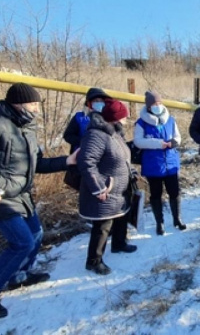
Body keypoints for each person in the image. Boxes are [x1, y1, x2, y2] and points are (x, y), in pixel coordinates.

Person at [0, 83, 77, 318]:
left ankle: (20, 275)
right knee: (22, 243)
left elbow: (37, 165)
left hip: (21, 195)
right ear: (17, 103)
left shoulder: (27, 129)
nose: (37, 110)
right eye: (33, 104)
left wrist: (67, 161)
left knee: (36, 235)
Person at [78, 99, 138, 275]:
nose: (126, 119)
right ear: (116, 118)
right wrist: (98, 187)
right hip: (105, 189)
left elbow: (124, 157)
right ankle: (94, 261)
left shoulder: (115, 133)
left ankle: (119, 244)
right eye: (124, 116)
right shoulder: (96, 135)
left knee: (121, 216)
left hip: (120, 188)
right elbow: (86, 162)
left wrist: (131, 171)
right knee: (103, 225)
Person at [134, 91, 185, 235]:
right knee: (156, 194)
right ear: (149, 106)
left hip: (170, 162)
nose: (158, 106)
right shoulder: (141, 123)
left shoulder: (170, 120)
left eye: (159, 103)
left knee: (174, 192)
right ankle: (159, 222)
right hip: (153, 164)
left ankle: (177, 219)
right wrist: (157, 143)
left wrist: (173, 142)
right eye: (154, 104)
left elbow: (178, 137)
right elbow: (138, 141)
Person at [63, 87, 112, 153]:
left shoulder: (109, 117)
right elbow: (68, 135)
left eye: (101, 101)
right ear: (89, 103)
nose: (99, 103)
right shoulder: (79, 117)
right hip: (81, 155)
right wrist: (84, 141)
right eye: (96, 101)